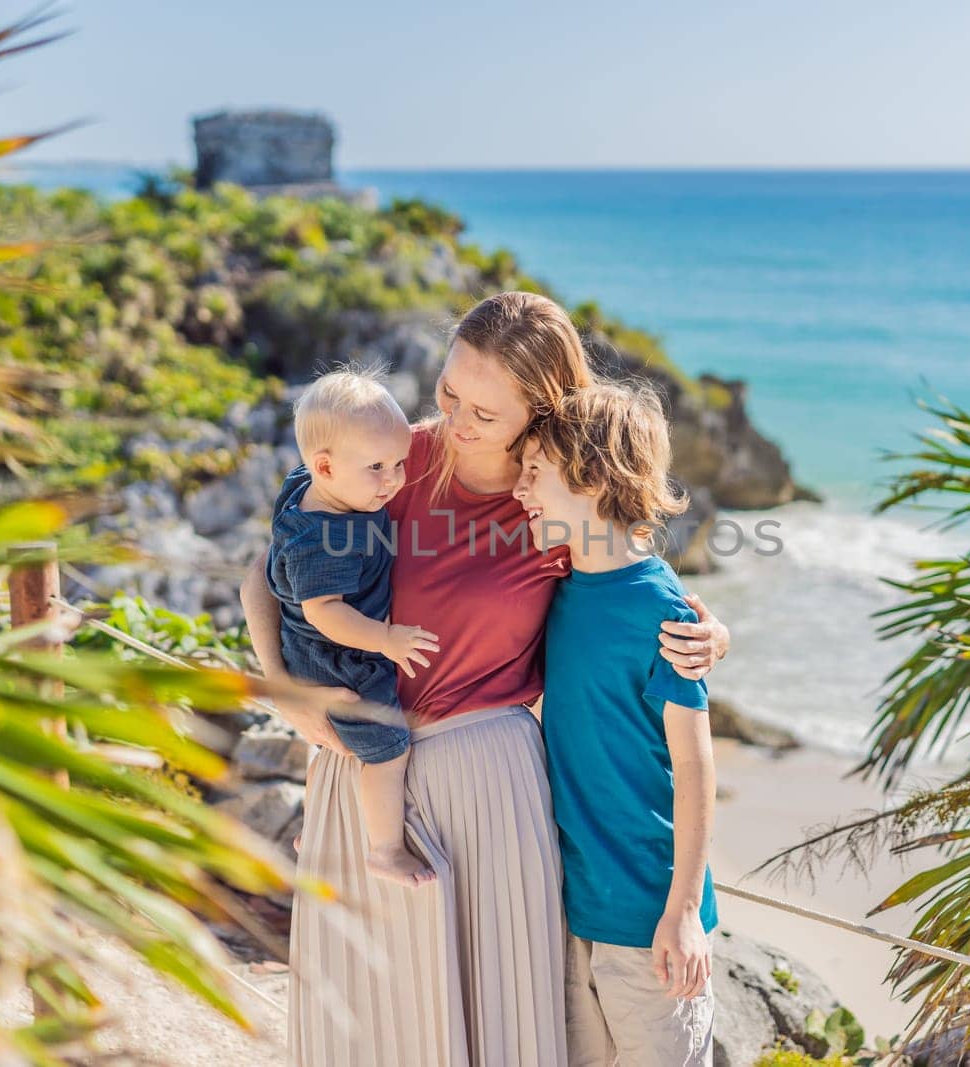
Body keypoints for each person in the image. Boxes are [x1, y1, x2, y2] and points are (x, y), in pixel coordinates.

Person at [239, 291, 730, 1066]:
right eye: (449, 394)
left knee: (495, 1032)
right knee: (369, 1029)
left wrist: (712, 634)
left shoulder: (557, 503)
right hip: (367, 778)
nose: (457, 424)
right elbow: (270, 577)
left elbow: (635, 595)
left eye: (486, 413)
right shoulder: (388, 457)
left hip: (494, 792)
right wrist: (286, 690)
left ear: (541, 415)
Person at [515, 381, 717, 1066]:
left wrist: (684, 912)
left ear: (594, 477)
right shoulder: (560, 589)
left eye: (535, 472)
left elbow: (694, 765)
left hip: (651, 921)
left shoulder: (660, 607)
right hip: (577, 909)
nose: (521, 489)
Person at [263, 367, 439, 888]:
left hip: (317, 650)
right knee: (388, 748)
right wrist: (386, 639)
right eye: (378, 467)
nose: (393, 481)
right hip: (337, 658)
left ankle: (314, 823)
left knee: (329, 750)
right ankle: (384, 849)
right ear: (325, 466)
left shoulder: (309, 485)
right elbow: (325, 613)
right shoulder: (326, 537)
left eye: (400, 464)